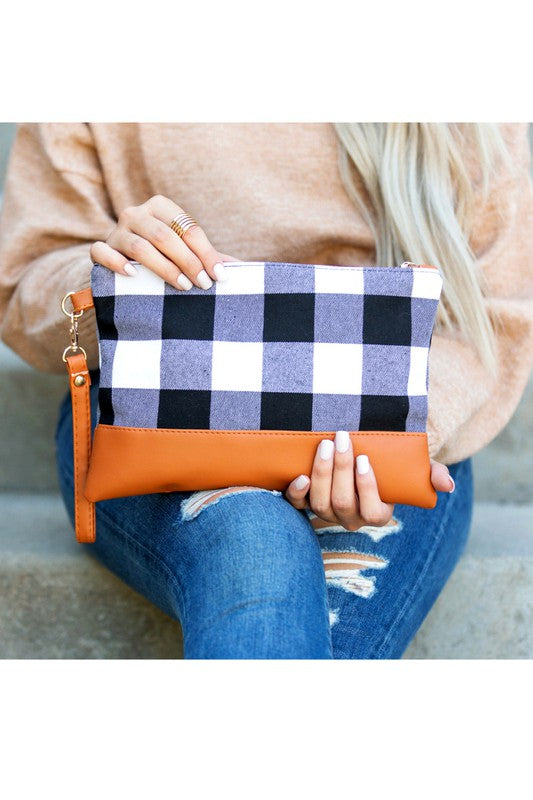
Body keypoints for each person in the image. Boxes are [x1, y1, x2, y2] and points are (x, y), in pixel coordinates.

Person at [0, 123, 532, 659]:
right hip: (155, 411)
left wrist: (392, 427)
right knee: (258, 553)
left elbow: (494, 318)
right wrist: (115, 276)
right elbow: (24, 281)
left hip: (389, 427)